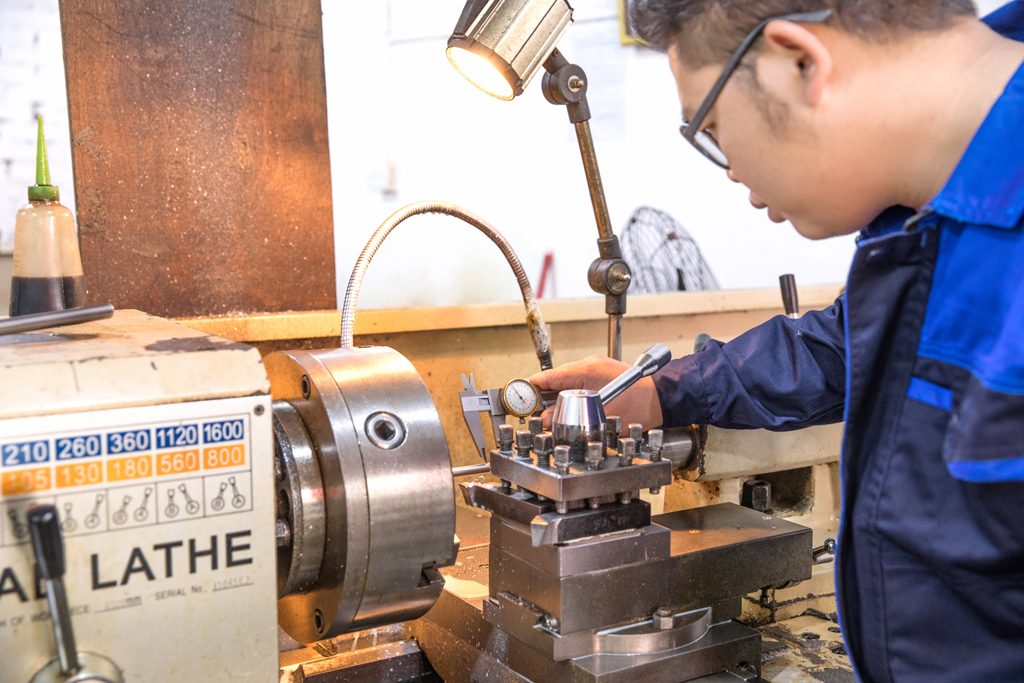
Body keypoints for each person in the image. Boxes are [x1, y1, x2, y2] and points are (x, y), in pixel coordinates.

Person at [529, 2, 1024, 682]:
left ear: (801, 62)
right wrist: (660, 393)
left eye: (712, 128)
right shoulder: (939, 213)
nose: (731, 170)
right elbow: (845, 348)